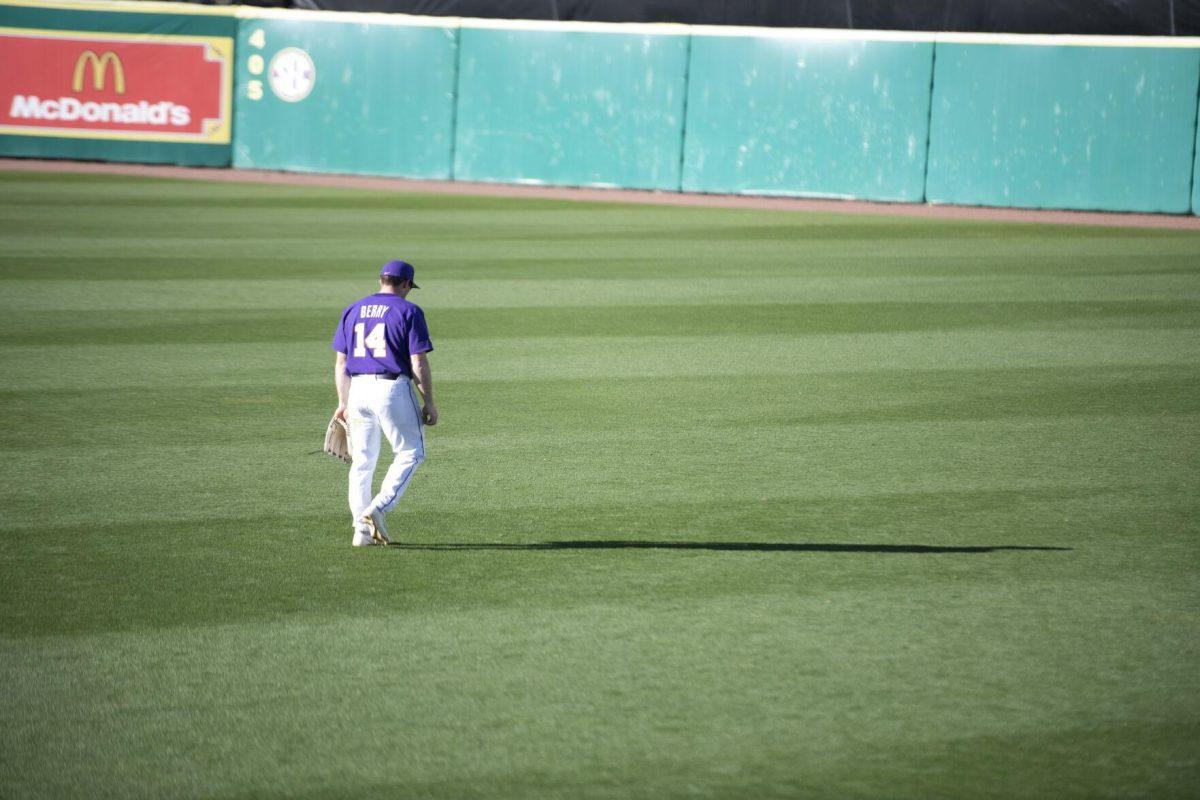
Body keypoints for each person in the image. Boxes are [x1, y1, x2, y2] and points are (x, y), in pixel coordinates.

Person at [331, 259, 438, 547]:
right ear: (404, 284)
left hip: (357, 391)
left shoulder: (352, 309)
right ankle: (377, 509)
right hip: (391, 388)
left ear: (381, 280)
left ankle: (360, 533)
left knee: (362, 462)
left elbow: (341, 362)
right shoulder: (409, 310)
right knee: (411, 452)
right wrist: (428, 401)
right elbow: (418, 360)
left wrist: (343, 402)